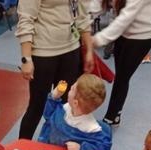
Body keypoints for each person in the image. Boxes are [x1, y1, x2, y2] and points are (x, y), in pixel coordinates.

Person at [15, 0, 94, 140]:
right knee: (37, 106)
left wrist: (89, 50)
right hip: (43, 52)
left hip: (71, 49)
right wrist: (26, 59)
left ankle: (57, 145)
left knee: (67, 106)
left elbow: (83, 15)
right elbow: (26, 18)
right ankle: (22, 147)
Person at [92, 0, 151, 126]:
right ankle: (116, 114)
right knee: (120, 74)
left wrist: (96, 40)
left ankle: (110, 118)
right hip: (125, 27)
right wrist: (82, 17)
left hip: (143, 33)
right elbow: (100, 3)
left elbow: (126, 17)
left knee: (122, 77)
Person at [38, 74, 112, 150]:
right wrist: (54, 97)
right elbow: (48, 116)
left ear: (75, 103)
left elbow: (104, 148)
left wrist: (81, 147)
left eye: (72, 89)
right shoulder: (64, 109)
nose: (70, 87)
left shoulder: (90, 128)